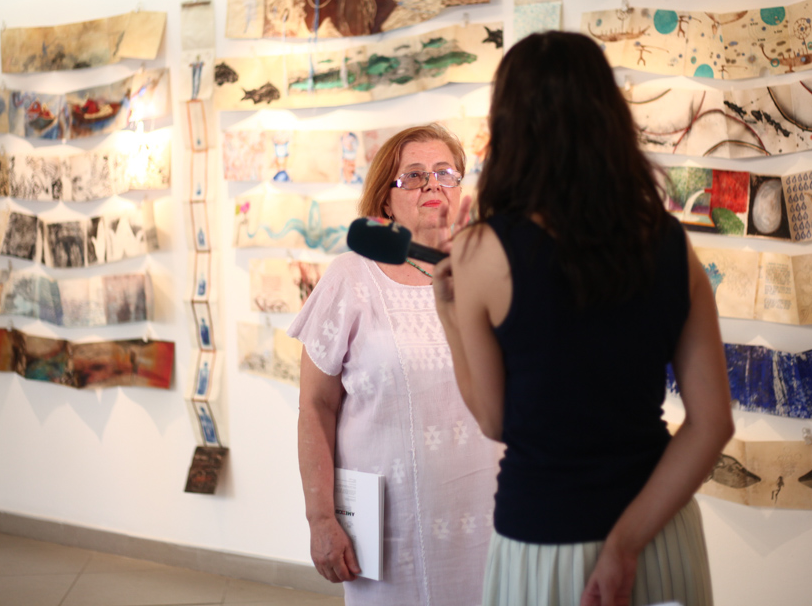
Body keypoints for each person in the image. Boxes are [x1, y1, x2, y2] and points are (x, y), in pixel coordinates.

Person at [433, 32, 734, 606]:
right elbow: (712, 424)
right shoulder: (670, 243)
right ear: (608, 118)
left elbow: (496, 421)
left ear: (510, 126)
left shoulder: (481, 251)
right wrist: (624, 545)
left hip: (543, 540)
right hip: (659, 537)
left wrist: (449, 317)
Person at [291, 124, 502, 605]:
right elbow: (316, 407)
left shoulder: (490, 271)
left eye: (445, 173)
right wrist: (321, 519)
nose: (432, 185)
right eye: (414, 175)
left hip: (490, 514)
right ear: (385, 200)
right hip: (391, 529)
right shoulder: (351, 277)